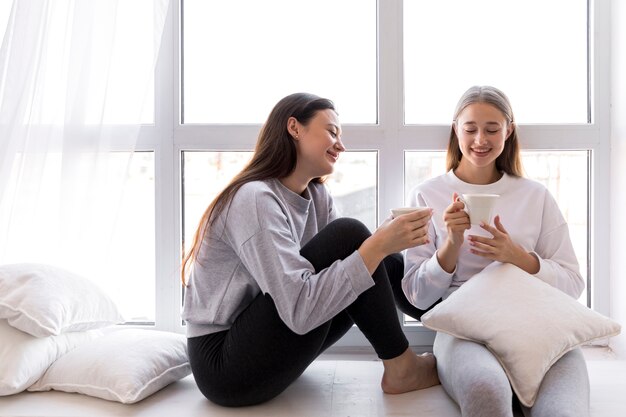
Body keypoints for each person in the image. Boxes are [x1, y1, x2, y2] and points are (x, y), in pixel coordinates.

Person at [181, 92, 440, 407]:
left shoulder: (318, 197)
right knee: (354, 236)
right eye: (332, 131)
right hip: (224, 366)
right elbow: (300, 312)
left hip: (269, 345)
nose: (340, 145)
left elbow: (343, 281)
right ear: (294, 127)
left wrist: (382, 246)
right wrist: (374, 244)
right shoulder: (255, 198)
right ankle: (402, 368)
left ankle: (450, 322)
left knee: (375, 259)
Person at [398, 85, 590, 417]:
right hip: (464, 329)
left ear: (509, 130)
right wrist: (451, 244)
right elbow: (417, 296)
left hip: (538, 321)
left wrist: (518, 257)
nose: (480, 140)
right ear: (456, 129)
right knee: (486, 392)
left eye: (492, 129)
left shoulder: (535, 195)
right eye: (470, 129)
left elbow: (572, 284)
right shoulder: (428, 195)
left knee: (565, 411)